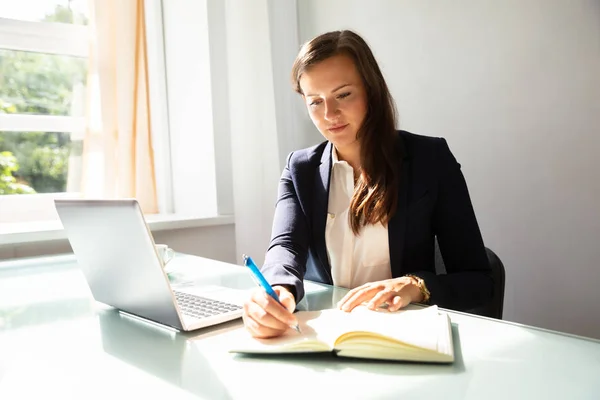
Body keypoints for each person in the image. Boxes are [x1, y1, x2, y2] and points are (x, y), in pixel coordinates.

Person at [242, 30, 493, 339]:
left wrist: (416, 285)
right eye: (315, 102)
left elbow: (478, 280)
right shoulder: (301, 169)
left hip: (405, 337)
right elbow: (285, 247)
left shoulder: (431, 159)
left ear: (371, 90)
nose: (329, 114)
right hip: (328, 337)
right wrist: (278, 291)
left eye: (343, 94)